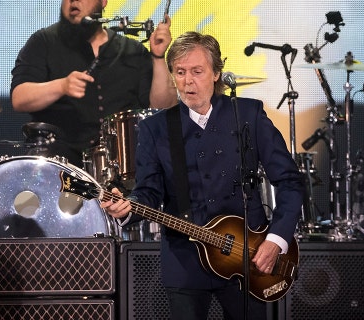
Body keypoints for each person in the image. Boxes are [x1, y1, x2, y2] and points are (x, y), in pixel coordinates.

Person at [101, 31, 304, 319]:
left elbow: (290, 182)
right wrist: (126, 209)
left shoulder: (248, 114)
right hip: (185, 262)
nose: (187, 81)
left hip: (249, 257)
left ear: (217, 73)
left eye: (197, 71)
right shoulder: (156, 128)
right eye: (180, 72)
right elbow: (149, 191)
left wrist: (277, 239)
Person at [11, 0, 178, 168]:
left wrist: (157, 57)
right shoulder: (43, 42)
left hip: (124, 171)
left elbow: (164, 108)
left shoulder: (132, 51)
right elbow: (19, 98)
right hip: (60, 170)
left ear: (103, 2)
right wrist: (61, 86)